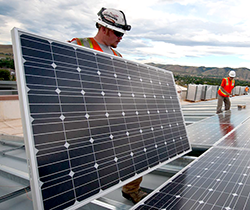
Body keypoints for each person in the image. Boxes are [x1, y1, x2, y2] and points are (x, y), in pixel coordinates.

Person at [69, 7, 147, 204]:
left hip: (110, 114)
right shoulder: (78, 45)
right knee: (84, 163)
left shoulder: (117, 56)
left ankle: (131, 189)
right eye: (118, 32)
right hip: (84, 117)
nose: (121, 37)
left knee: (137, 147)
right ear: (104, 28)